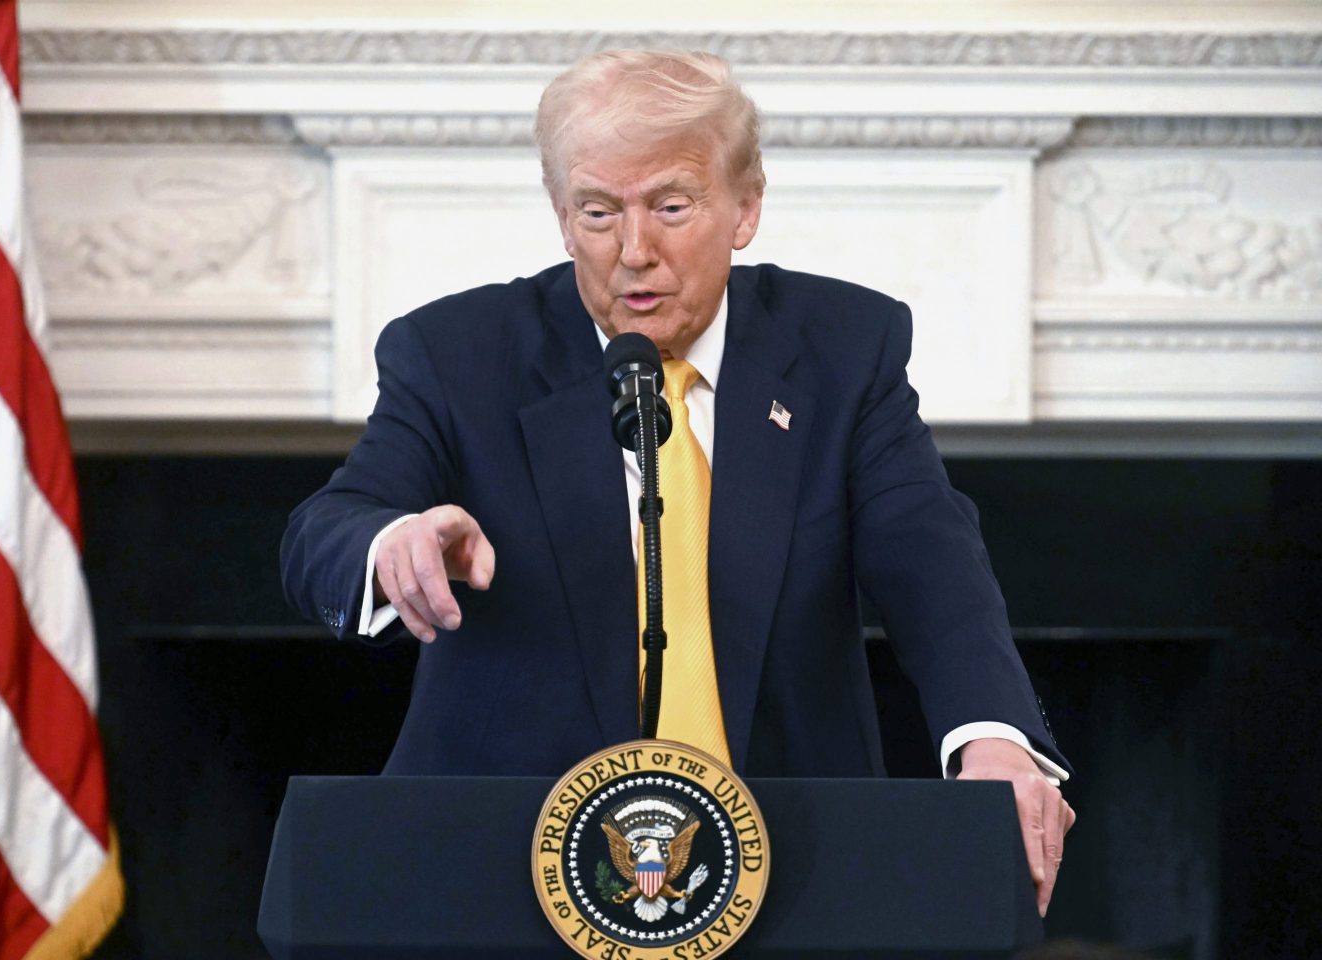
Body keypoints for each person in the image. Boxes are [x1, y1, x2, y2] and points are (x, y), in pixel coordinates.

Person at [281, 49, 1076, 915]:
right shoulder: (457, 354)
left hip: (793, 868)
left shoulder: (844, 348)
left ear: (746, 207)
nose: (634, 252)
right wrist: (389, 543)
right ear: (561, 216)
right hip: (501, 871)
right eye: (598, 212)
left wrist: (994, 737)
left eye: (670, 206)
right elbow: (330, 526)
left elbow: (931, 558)